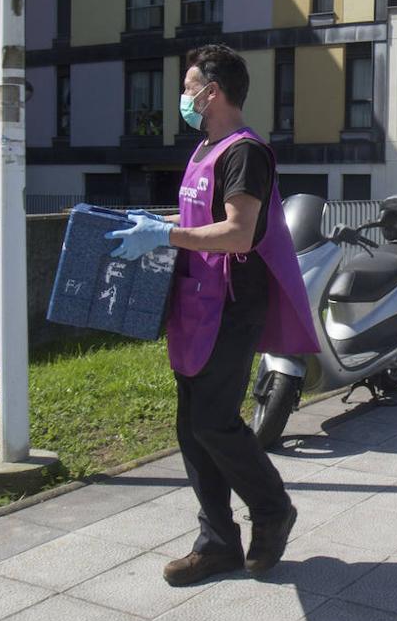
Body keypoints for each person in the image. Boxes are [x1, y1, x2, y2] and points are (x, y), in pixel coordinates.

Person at [107, 44, 318, 585]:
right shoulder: (205, 148)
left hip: (230, 305)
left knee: (213, 422)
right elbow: (197, 215)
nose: (182, 96)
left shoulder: (245, 153)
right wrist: (157, 223)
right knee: (190, 426)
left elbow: (239, 231)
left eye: (188, 86)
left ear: (212, 92)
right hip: (192, 302)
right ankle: (218, 542)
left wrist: (167, 233)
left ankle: (272, 510)